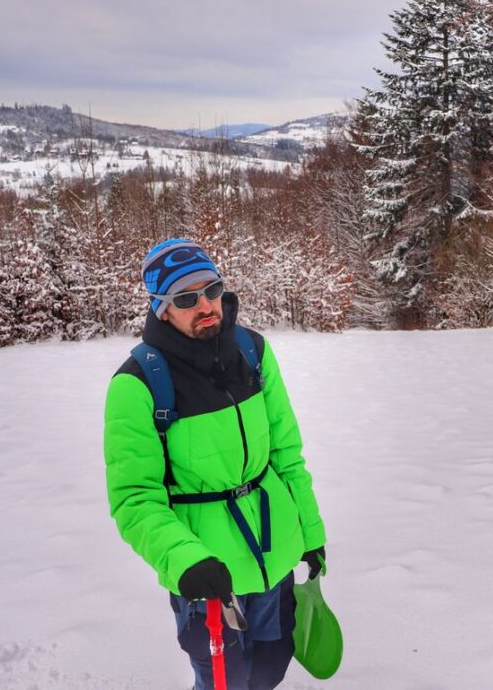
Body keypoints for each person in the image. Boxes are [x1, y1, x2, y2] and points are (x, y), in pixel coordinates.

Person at [103, 238, 327, 689]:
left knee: (270, 667)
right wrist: (187, 561)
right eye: (185, 298)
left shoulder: (253, 352)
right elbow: (134, 499)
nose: (206, 304)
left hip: (276, 555)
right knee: (224, 682)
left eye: (212, 289)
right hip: (210, 580)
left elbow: (285, 454)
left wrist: (309, 531)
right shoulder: (138, 383)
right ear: (161, 307)